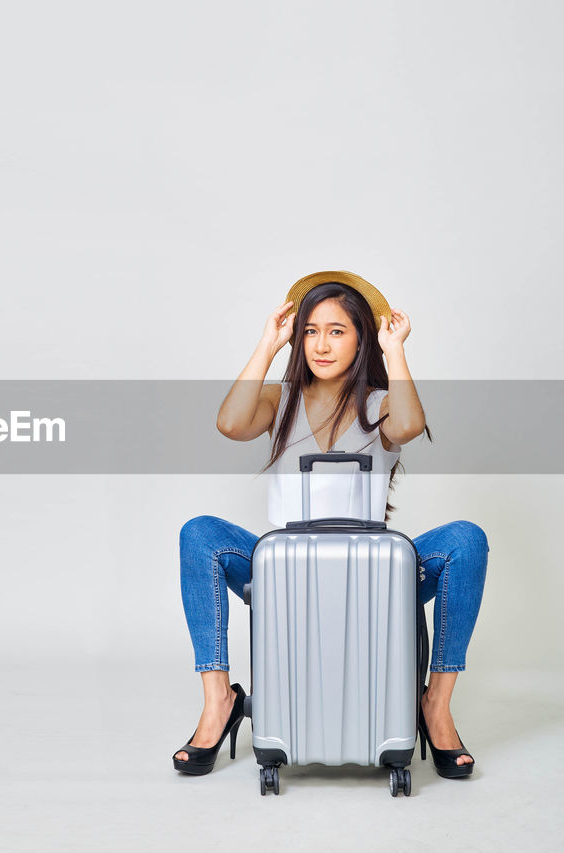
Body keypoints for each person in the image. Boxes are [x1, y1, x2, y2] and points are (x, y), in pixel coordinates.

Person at [172, 271, 490, 781]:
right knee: (199, 534)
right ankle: (219, 703)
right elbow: (230, 424)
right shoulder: (282, 400)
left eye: (337, 331)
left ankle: (436, 706)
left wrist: (395, 352)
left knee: (466, 541)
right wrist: (267, 344)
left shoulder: (380, 404)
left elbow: (408, 426)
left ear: (363, 337)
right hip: (285, 568)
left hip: (374, 570)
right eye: (311, 331)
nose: (321, 344)